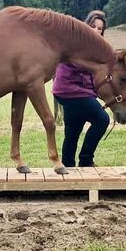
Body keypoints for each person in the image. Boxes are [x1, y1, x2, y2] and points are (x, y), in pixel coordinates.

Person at [52, 10, 110, 167]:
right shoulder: (76, 42)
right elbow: (81, 65)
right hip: (70, 90)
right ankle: (86, 160)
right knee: (102, 120)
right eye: (93, 26)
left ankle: (68, 166)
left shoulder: (94, 46)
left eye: (100, 29)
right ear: (86, 26)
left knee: (72, 133)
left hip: (72, 92)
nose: (96, 31)